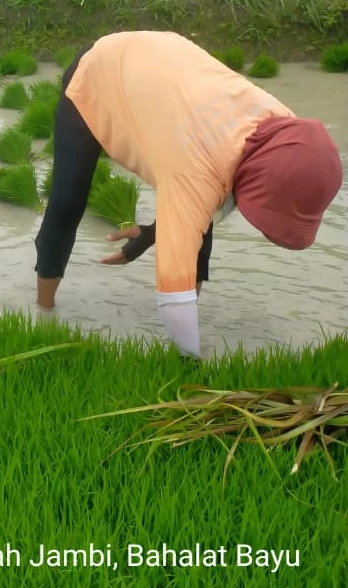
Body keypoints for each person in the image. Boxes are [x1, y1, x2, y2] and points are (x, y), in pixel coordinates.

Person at [34, 30, 342, 358]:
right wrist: (192, 369)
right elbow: (173, 289)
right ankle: (43, 314)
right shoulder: (197, 167)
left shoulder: (291, 135)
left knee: (199, 219)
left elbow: (210, 205)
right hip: (100, 70)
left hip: (166, 74)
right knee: (67, 200)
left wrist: (155, 232)